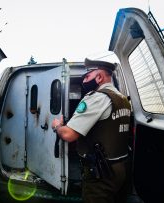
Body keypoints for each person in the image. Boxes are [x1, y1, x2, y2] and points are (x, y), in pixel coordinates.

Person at [52, 58, 131, 203]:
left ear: (99, 77)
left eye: (87, 76)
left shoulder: (97, 98)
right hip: (120, 167)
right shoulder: (123, 99)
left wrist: (57, 126)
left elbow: (69, 134)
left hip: (101, 173)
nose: (84, 81)